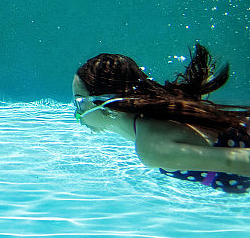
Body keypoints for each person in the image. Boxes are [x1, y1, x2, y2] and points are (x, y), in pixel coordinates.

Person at [73, 45, 250, 193]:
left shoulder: (151, 147)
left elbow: (236, 161)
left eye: (80, 101)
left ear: (104, 102)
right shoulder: (153, 118)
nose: (77, 112)